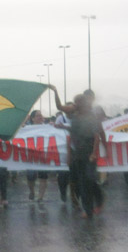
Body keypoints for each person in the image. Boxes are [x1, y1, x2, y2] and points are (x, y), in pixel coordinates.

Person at [52, 85, 106, 218]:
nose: (74, 104)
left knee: (89, 181)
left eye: (77, 102)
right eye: (74, 102)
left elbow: (96, 136)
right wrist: (55, 90)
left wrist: (94, 153)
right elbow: (60, 107)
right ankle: (90, 208)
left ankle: (94, 204)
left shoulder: (90, 117)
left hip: (89, 154)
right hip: (78, 153)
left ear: (82, 104)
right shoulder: (75, 115)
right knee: (83, 182)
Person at [25, 110, 49, 201]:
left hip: (43, 155)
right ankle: (32, 191)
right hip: (31, 156)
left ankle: (40, 196)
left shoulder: (47, 127)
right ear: (33, 118)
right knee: (30, 176)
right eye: (38, 116)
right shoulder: (27, 128)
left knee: (43, 176)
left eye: (41, 115)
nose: (40, 117)